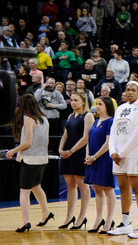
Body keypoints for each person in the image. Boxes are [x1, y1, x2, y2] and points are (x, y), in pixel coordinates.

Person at [106, 80, 138, 237]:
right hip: (118, 155)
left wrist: (121, 153)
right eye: (128, 89)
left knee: (137, 188)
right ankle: (125, 223)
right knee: (123, 188)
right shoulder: (121, 108)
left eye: (133, 90)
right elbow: (113, 131)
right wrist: (113, 152)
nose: (130, 92)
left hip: (135, 153)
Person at [7, 94, 53, 232]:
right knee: (36, 187)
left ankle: (26, 222)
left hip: (31, 158)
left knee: (24, 192)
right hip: (43, 157)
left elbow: (27, 142)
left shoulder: (28, 118)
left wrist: (13, 151)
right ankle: (46, 213)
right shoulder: (44, 119)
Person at [57, 90, 94, 230]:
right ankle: (69, 216)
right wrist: (61, 149)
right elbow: (65, 135)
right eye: (71, 100)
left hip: (79, 153)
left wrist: (72, 151)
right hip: (67, 152)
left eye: (76, 100)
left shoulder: (88, 115)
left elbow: (86, 138)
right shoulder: (71, 116)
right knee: (70, 184)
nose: (73, 103)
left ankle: (82, 216)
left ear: (83, 101)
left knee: (82, 184)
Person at [85, 97, 116, 233]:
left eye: (100, 104)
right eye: (97, 104)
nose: (97, 107)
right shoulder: (96, 121)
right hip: (92, 159)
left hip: (104, 159)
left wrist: (94, 156)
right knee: (97, 189)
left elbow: (108, 143)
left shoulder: (111, 122)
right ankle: (98, 219)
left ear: (107, 106)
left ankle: (109, 220)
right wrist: (87, 155)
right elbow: (88, 139)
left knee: (108, 189)